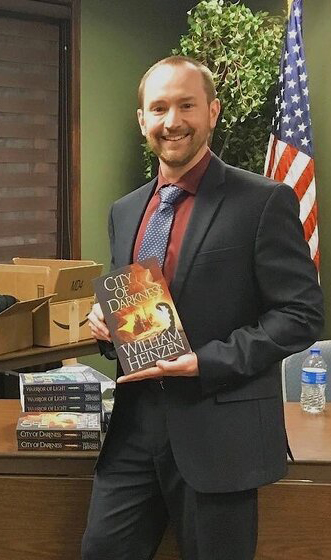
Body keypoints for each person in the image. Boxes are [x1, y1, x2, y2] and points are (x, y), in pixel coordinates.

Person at [81, 55, 323, 560]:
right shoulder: (124, 211)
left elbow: (300, 315)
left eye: (186, 105)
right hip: (133, 432)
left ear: (212, 112)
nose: (173, 121)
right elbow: (134, 304)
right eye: (160, 107)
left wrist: (204, 362)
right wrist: (105, 325)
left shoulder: (263, 201)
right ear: (142, 120)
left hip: (221, 436)